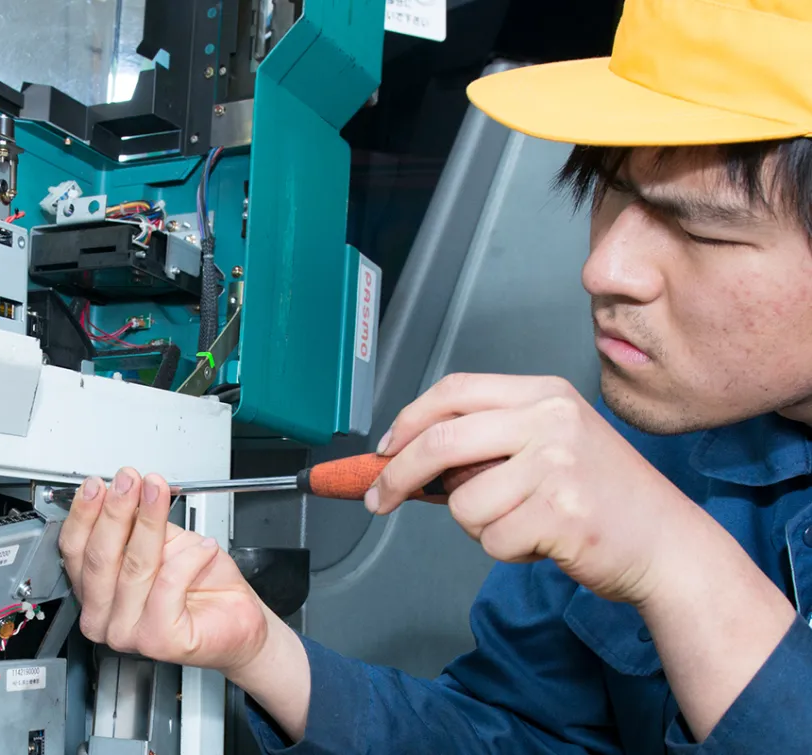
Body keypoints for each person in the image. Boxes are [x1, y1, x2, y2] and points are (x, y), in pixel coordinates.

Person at [57, 0, 812, 751]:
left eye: (701, 229)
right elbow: (523, 736)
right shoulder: (647, 435)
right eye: (612, 189)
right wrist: (260, 651)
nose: (603, 269)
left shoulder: (640, 487)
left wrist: (679, 562)